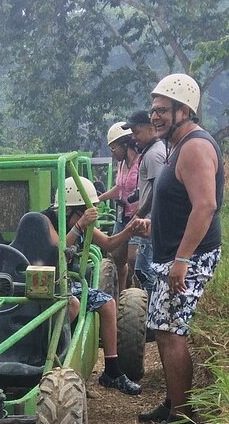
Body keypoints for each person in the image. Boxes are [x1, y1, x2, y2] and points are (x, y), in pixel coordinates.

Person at [135, 74, 223, 424]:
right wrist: (153, 226)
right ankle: (173, 404)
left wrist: (183, 259)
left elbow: (205, 206)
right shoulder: (178, 146)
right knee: (163, 330)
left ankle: (183, 415)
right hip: (173, 255)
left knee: (172, 333)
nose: (155, 116)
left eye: (162, 110)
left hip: (189, 258)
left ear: (184, 110)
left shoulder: (196, 147)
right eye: (154, 110)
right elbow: (182, 207)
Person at [42, 176, 142, 395]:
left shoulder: (81, 222)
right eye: (89, 210)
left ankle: (112, 371)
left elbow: (108, 243)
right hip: (46, 283)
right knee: (71, 305)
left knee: (108, 304)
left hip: (67, 282)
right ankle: (47, 360)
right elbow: (56, 252)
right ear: (71, 210)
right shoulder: (46, 221)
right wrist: (79, 226)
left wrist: (130, 230)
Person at [121, 110, 166, 297]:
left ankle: (151, 308)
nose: (134, 137)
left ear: (151, 128)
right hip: (149, 221)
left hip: (150, 222)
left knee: (145, 270)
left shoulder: (154, 155)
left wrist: (139, 214)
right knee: (143, 268)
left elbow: (158, 190)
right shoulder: (151, 152)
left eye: (136, 132)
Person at [98, 121, 140, 293]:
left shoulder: (141, 162)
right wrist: (99, 198)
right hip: (122, 216)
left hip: (138, 216)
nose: (113, 152)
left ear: (124, 144)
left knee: (133, 259)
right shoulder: (121, 164)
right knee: (116, 257)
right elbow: (119, 189)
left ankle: (137, 295)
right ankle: (120, 294)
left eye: (114, 148)